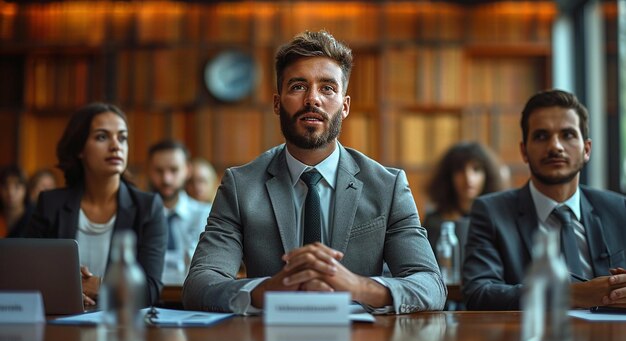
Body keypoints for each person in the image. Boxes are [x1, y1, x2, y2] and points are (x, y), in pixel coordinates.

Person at [183, 30, 446, 314]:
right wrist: (268, 290)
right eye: (298, 86)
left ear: (344, 106)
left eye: (328, 88)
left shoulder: (387, 186)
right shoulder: (241, 185)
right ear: (276, 102)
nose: (312, 99)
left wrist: (356, 286)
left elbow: (430, 285)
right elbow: (199, 285)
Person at [462, 89, 626, 310]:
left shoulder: (618, 208)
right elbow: (478, 293)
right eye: (541, 136)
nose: (555, 146)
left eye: (567, 135)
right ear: (524, 151)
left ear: (586, 149)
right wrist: (572, 295)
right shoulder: (491, 212)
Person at [26, 102, 167, 307]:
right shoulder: (50, 204)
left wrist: (100, 285)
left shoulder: (148, 207)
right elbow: (27, 275)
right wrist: (70, 289)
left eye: (122, 137)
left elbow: (151, 290)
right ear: (79, 149)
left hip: (121, 326)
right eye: (102, 136)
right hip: (62, 319)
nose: (116, 146)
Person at [423, 141, 504, 255]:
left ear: (488, 175)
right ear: (448, 176)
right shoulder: (434, 221)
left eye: (476, 169)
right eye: (460, 170)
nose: (468, 178)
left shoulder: (498, 219)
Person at [147, 140, 212, 275]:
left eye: (174, 170)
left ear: (187, 170)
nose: (166, 179)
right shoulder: (136, 215)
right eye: (159, 171)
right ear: (149, 171)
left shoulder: (206, 215)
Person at [0, 165, 33, 238]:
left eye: (17, 187)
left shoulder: (34, 217)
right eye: (5, 187)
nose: (10, 193)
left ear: (25, 189)